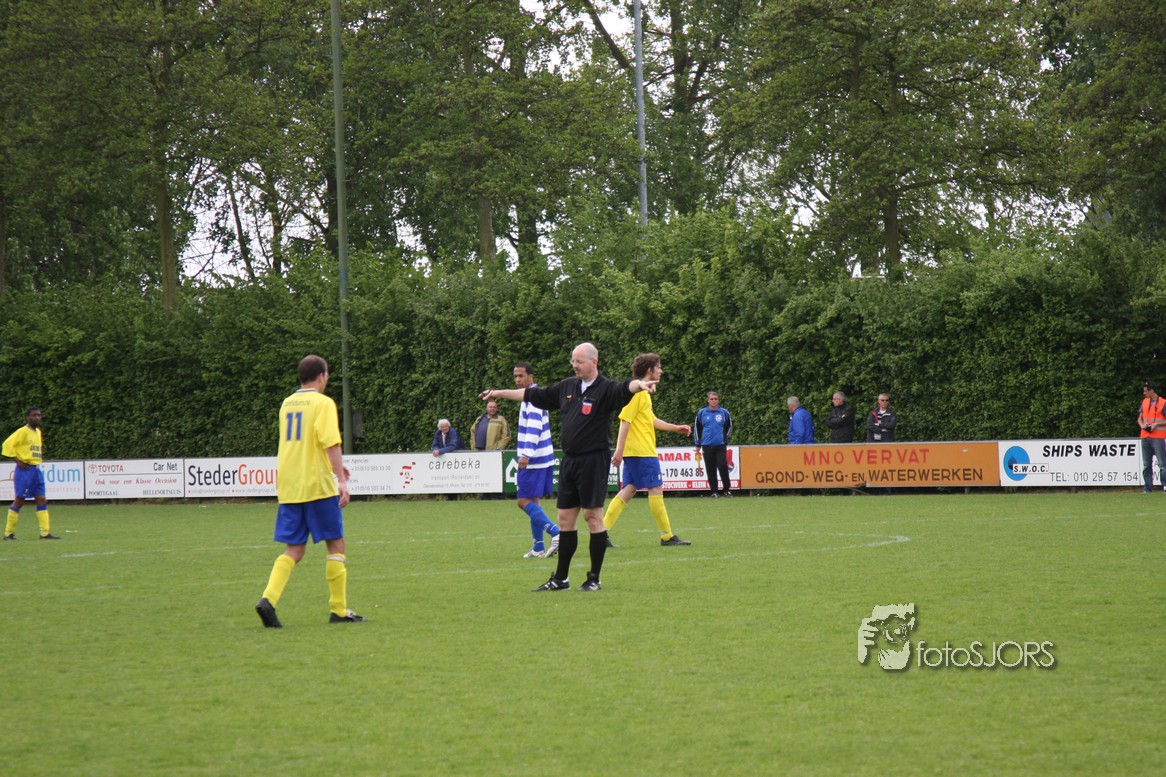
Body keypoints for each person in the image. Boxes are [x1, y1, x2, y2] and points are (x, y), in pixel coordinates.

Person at [481, 342, 655, 592]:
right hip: (570, 461)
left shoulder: (606, 389)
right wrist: (498, 393)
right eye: (573, 361)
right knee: (565, 519)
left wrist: (640, 384)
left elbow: (626, 387)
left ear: (594, 362)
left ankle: (594, 579)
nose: (575, 365)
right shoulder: (567, 387)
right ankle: (560, 579)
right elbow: (531, 395)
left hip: (594, 460)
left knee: (592, 517)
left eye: (579, 361)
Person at [255, 355, 364, 627]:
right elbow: (330, 442)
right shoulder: (323, 403)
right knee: (336, 544)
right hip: (317, 485)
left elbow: (306, 443)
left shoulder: (287, 403)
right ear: (322, 375)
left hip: (290, 485)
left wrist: (334, 466)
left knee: (294, 548)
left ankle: (268, 600)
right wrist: (341, 480)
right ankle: (338, 610)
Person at [602, 353, 693, 546]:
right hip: (642, 451)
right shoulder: (638, 393)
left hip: (636, 451)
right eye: (658, 367)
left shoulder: (642, 393)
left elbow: (651, 420)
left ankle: (600, 534)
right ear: (650, 370)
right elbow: (625, 420)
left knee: (628, 490)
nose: (661, 370)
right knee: (655, 488)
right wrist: (619, 450)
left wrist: (675, 428)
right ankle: (667, 536)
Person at [513, 362, 560, 557]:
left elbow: (534, 428)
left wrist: (526, 454)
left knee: (523, 501)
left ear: (531, 377)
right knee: (534, 500)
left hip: (534, 458)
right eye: (515, 376)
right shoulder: (534, 396)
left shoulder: (533, 398)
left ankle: (556, 532)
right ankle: (538, 547)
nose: (517, 380)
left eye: (521, 376)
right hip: (543, 456)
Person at [2, 406, 60, 540]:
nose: (37, 417)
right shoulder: (22, 431)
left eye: (39, 415)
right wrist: (18, 461)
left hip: (36, 470)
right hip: (25, 470)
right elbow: (7, 445)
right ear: (28, 417)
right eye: (34, 415)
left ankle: (45, 533)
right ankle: (8, 533)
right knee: (19, 500)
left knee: (41, 499)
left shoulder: (38, 432)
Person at [693, 390, 733, 497]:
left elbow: (729, 426)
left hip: (720, 445)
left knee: (722, 466)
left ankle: (726, 490)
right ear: (708, 400)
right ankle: (714, 491)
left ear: (718, 400)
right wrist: (698, 444)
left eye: (715, 399)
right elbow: (697, 428)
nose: (713, 401)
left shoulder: (724, 412)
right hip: (707, 445)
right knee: (710, 468)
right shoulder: (701, 413)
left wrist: (724, 438)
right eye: (711, 399)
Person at [1138, 380, 1166, 492]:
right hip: (1145, 436)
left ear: (1152, 391)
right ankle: (1147, 488)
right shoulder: (1144, 402)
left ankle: (1164, 486)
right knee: (1146, 464)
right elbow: (1140, 418)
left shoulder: (1163, 402)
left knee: (1162, 464)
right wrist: (1142, 425)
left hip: (1158, 437)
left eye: (1146, 391)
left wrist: (1156, 425)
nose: (1144, 393)